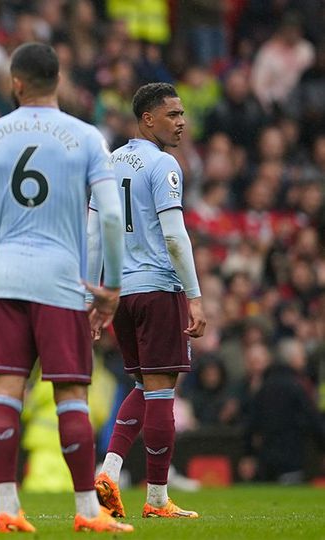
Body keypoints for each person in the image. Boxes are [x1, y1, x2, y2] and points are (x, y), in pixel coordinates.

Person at [0, 42, 130, 533]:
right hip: (62, 281)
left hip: (6, 278)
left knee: (6, 392)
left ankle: (6, 507)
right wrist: (109, 285)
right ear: (58, 80)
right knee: (71, 394)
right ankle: (88, 511)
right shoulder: (88, 137)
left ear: (16, 83)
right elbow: (110, 213)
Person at [88, 82, 206, 520]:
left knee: (141, 386)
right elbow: (175, 236)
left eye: (181, 114)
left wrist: (95, 298)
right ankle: (157, 499)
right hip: (158, 288)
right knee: (161, 393)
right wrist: (194, 298)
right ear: (148, 119)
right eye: (173, 115)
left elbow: (93, 234)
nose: (181, 122)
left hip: (121, 295)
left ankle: (110, 471)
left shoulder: (107, 163)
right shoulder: (163, 165)